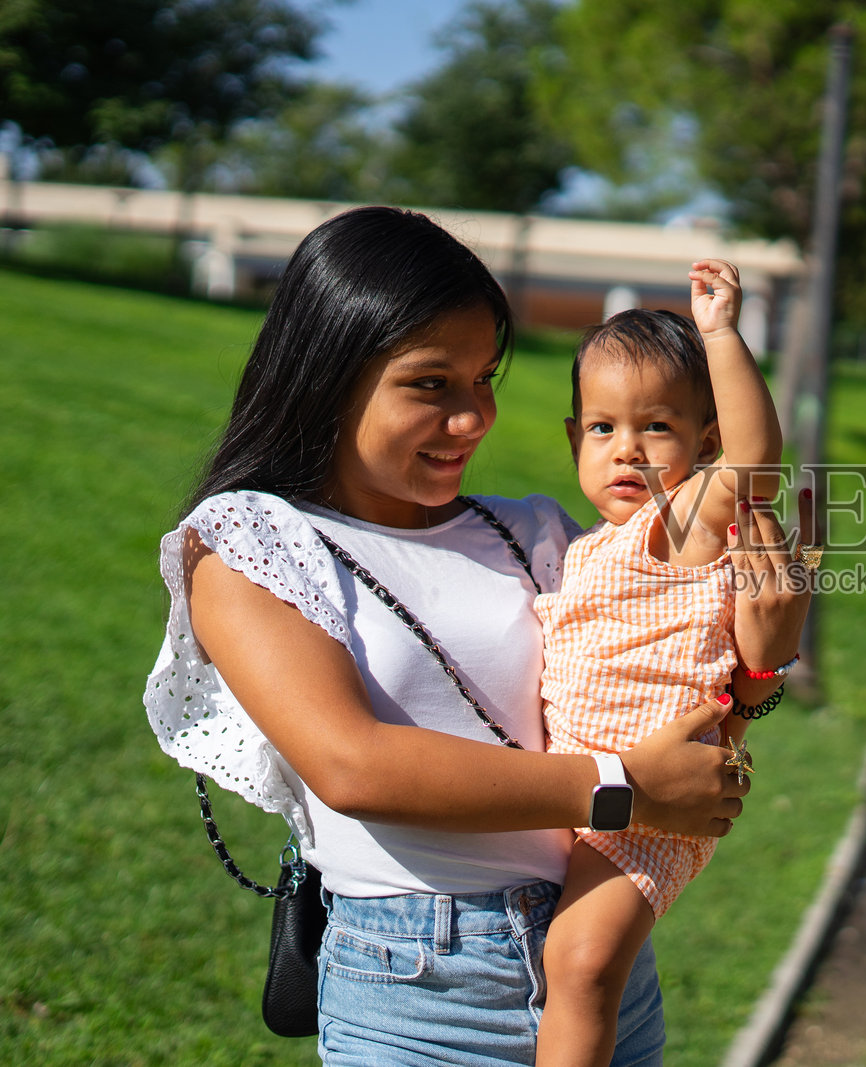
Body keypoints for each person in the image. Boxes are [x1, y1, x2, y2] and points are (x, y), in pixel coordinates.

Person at [142, 205, 810, 1067]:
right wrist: (625, 788)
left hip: (597, 956)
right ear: (331, 371)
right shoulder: (252, 542)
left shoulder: (534, 531)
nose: (473, 418)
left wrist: (759, 674)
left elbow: (663, 686)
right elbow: (353, 765)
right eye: (432, 384)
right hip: (419, 991)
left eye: (484, 378)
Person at [535, 263, 792, 1067]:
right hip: (592, 789)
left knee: (581, 963)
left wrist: (720, 333)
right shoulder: (586, 545)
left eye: (655, 426)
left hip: (652, 806)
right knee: (570, 962)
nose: (627, 450)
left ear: (703, 445)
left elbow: (758, 456)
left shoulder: (680, 523)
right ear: (574, 440)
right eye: (602, 428)